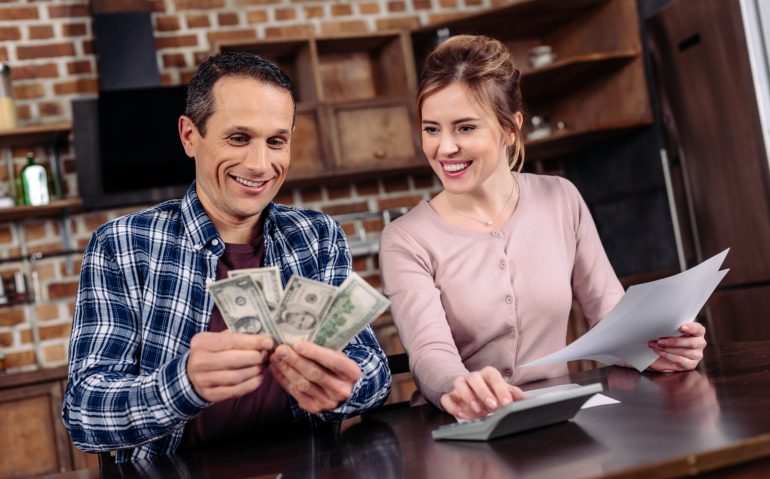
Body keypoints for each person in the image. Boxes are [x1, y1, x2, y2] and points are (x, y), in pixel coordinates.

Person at [63, 52, 391, 462]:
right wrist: (183, 383)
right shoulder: (123, 245)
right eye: (238, 138)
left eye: (276, 141)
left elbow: (375, 371)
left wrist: (346, 388)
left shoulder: (317, 236)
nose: (259, 164)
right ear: (189, 136)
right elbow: (83, 413)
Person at [379, 35, 707, 421]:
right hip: (461, 428)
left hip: (559, 419)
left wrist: (660, 348)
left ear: (510, 128)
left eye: (465, 128)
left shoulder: (560, 198)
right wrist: (457, 387)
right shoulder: (405, 239)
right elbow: (429, 352)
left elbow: (612, 316)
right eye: (431, 129)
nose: (444, 147)